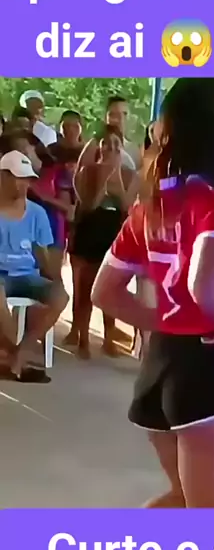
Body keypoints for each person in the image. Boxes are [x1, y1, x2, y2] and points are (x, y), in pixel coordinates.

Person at [91, 78, 214, 510]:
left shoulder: (151, 206)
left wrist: (170, 322)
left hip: (163, 365)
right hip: (213, 369)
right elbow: (206, 285)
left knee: (185, 502)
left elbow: (105, 292)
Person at [67, 129, 139, 359]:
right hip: (89, 230)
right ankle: (83, 339)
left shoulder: (130, 175)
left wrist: (116, 180)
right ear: (99, 148)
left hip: (112, 232)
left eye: (116, 145)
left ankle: (109, 339)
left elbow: (127, 207)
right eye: (106, 144)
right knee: (84, 288)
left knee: (110, 288)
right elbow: (88, 206)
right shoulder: (85, 172)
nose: (111, 149)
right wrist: (103, 180)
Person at [0, 150, 68, 379]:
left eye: (27, 179)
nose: (24, 184)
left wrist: (55, 281)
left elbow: (43, 255)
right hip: (1, 276)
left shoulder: (37, 213)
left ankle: (19, 354)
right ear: (3, 176)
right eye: (19, 178)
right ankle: (14, 356)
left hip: (27, 275)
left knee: (60, 296)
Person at [105, 96, 141, 170]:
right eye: (113, 115)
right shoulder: (93, 148)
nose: (120, 119)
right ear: (105, 118)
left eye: (125, 114)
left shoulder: (134, 150)